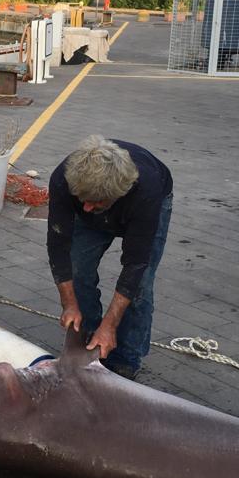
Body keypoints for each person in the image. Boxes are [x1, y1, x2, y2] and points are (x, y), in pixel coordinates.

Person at [47, 136, 173, 380]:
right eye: (82, 199)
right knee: (77, 269)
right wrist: (69, 304)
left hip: (145, 203)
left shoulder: (146, 191)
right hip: (96, 196)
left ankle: (126, 357)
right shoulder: (64, 179)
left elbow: (135, 264)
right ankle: (91, 342)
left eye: (94, 202)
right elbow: (58, 245)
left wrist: (111, 324)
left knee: (141, 286)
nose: (86, 208)